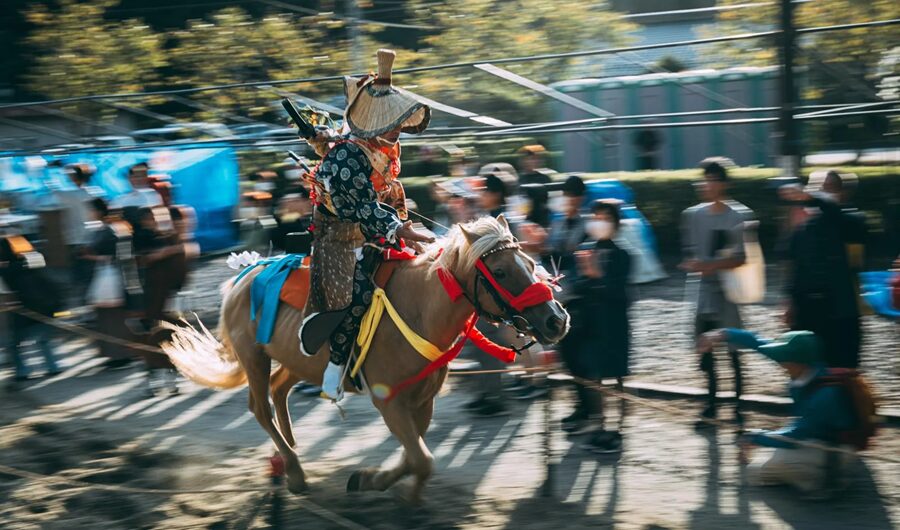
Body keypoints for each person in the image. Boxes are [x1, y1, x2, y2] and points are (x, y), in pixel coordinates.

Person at [300, 49, 434, 400]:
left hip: (379, 225)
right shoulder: (346, 155)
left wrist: (405, 227)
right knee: (356, 295)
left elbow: (387, 193)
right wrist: (403, 230)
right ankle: (335, 367)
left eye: (398, 120)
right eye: (391, 122)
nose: (398, 128)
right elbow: (362, 208)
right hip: (339, 234)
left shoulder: (386, 145)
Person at [698, 328, 872, 495]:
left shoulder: (824, 395)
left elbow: (794, 436)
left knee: (757, 472)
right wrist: (720, 335)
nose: (780, 362)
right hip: (816, 439)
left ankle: (826, 482)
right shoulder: (808, 369)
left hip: (835, 451)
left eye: (784, 358)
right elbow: (756, 342)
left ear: (797, 362)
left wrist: (753, 437)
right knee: (770, 454)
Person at [680, 158, 752, 425]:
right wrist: (694, 265)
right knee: (706, 351)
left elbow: (743, 257)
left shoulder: (739, 216)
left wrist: (710, 265)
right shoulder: (692, 215)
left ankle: (738, 406)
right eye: (705, 179)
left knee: (733, 349)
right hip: (702, 291)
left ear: (724, 184)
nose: (707, 185)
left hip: (729, 291)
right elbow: (689, 253)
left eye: (712, 180)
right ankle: (710, 405)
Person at [563, 201, 632, 452]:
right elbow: (575, 285)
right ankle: (600, 425)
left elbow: (619, 292)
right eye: (595, 216)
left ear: (615, 224)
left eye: (605, 217)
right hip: (589, 325)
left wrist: (595, 276)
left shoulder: (622, 254)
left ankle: (618, 431)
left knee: (616, 378)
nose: (598, 221)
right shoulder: (584, 250)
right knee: (594, 377)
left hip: (613, 324)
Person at [780, 184, 860, 369]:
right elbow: (794, 270)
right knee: (809, 367)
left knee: (840, 368)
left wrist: (809, 197)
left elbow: (831, 209)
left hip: (838, 313)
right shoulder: (800, 233)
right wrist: (789, 302)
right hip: (808, 312)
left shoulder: (844, 222)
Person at [0, 234, 62, 383]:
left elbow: (6, 293)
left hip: (24, 309)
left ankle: (22, 371)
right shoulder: (32, 259)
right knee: (44, 339)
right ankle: (53, 367)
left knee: (14, 344)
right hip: (46, 305)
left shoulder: (5, 269)